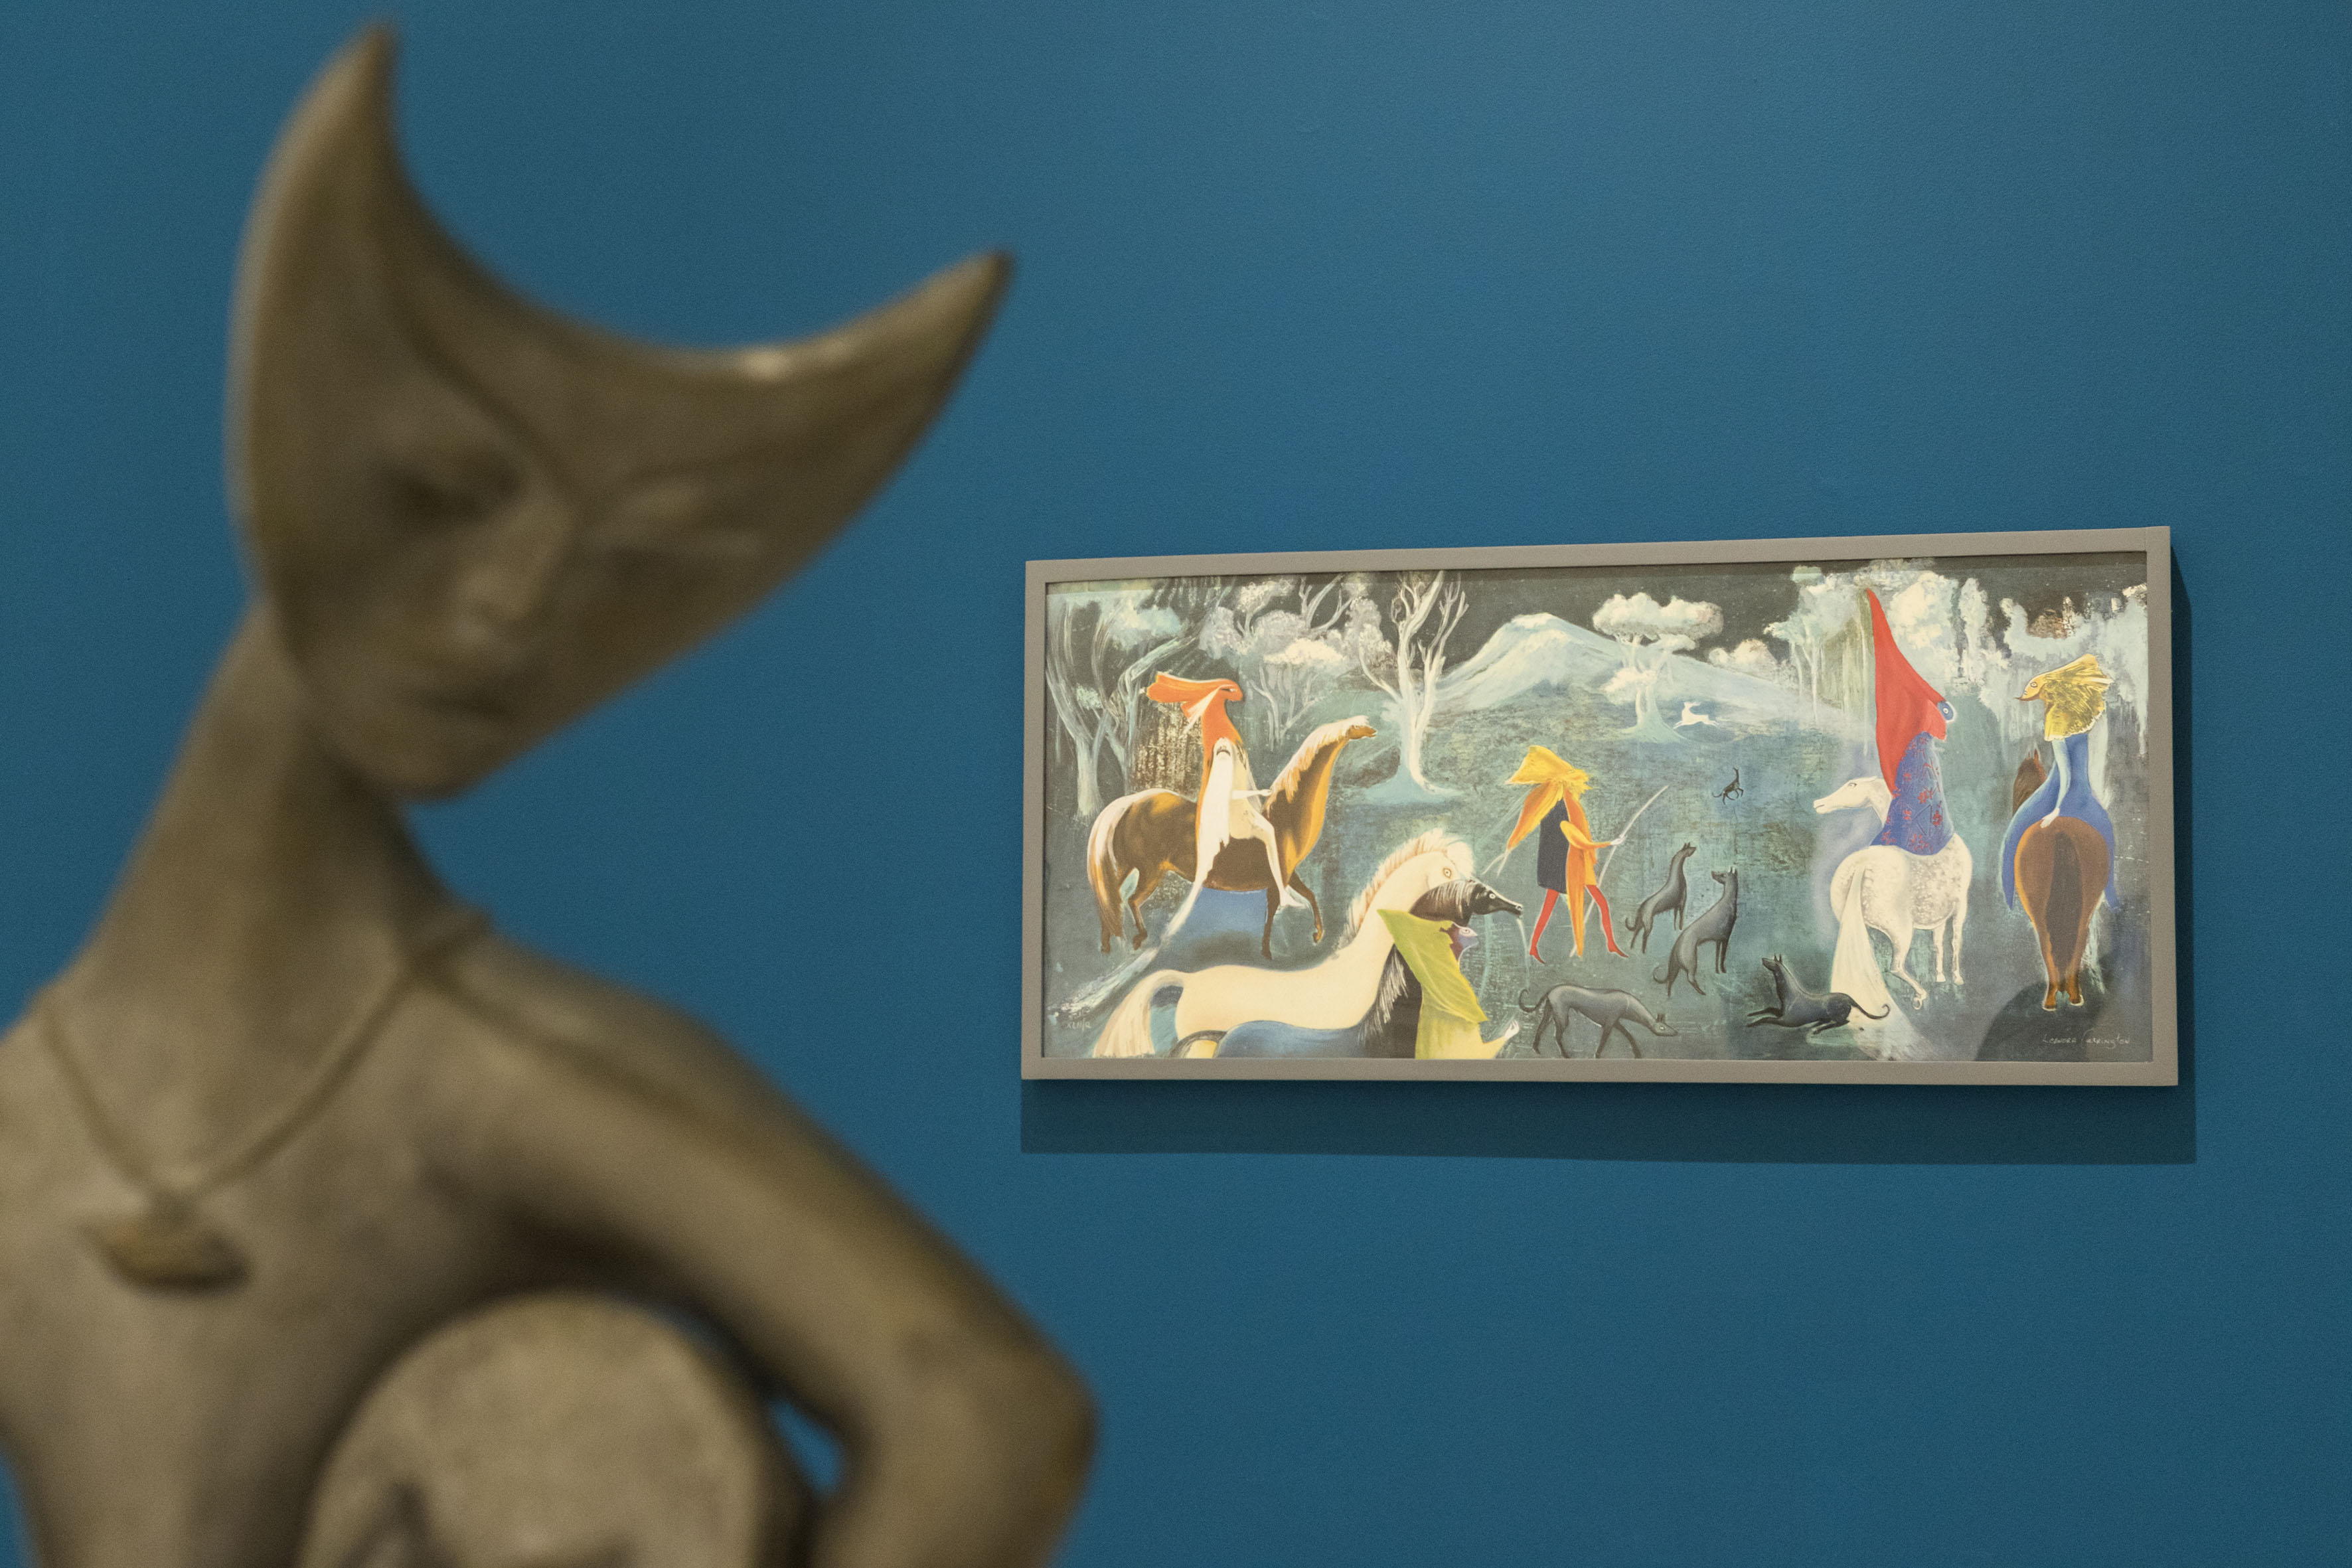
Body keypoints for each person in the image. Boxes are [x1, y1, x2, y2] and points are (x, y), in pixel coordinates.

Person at [1144, 672, 1300, 909]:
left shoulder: (1225, 742)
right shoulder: (1224, 751)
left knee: (1270, 832)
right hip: (1234, 818)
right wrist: (1258, 794)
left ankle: (1282, 892)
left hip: (1239, 811)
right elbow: (1230, 794)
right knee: (1269, 833)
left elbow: (1236, 695)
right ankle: (1281, 892)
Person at [2002, 653, 2120, 909]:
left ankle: (2008, 898)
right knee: (2108, 838)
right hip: (2085, 799)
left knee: (2012, 838)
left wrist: (2058, 810)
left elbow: (2065, 776)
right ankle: (2111, 896)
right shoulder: (2082, 723)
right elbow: (2082, 773)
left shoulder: (2057, 722)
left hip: (2060, 796)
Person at [1503, 746, 1623, 963]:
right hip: (1568, 866)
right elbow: (1576, 838)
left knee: (1553, 907)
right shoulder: (1561, 808)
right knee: (1597, 902)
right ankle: (1610, 944)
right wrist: (1608, 843)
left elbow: (1566, 836)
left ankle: (1535, 947)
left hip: (1559, 865)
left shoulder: (1549, 807)